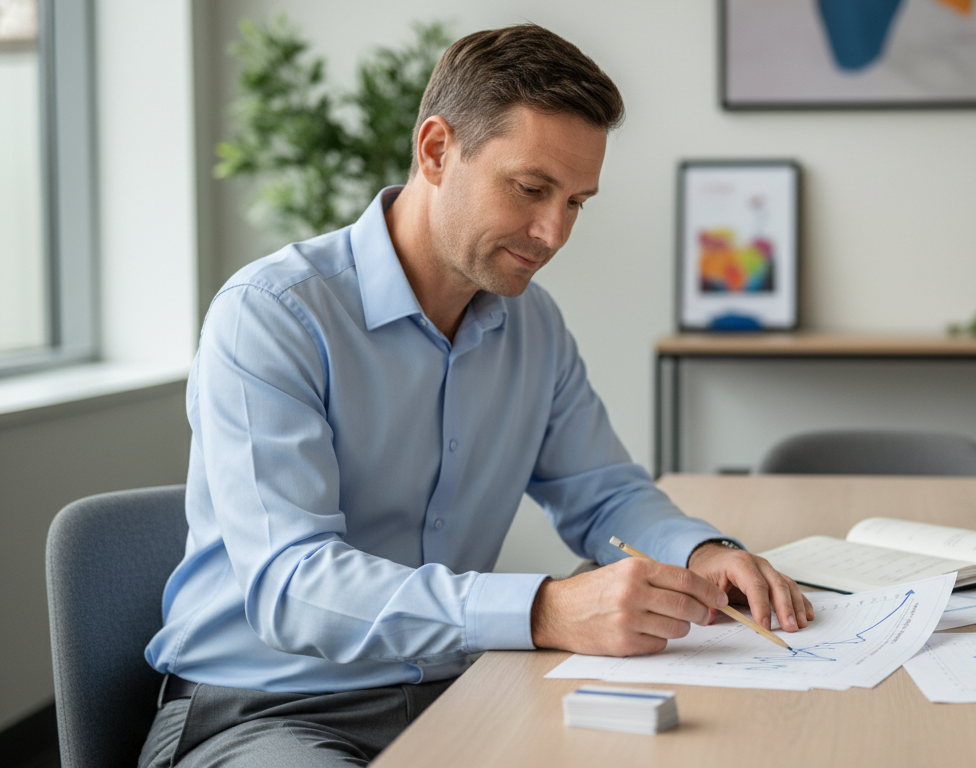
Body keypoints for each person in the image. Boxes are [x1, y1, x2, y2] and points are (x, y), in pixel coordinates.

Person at [138, 23, 812, 767]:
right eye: (530, 189)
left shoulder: (534, 327)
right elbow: (292, 587)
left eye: (577, 202)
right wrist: (544, 608)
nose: (552, 231)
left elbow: (604, 495)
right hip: (267, 710)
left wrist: (701, 549)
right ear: (435, 151)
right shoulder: (273, 313)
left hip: (457, 691)